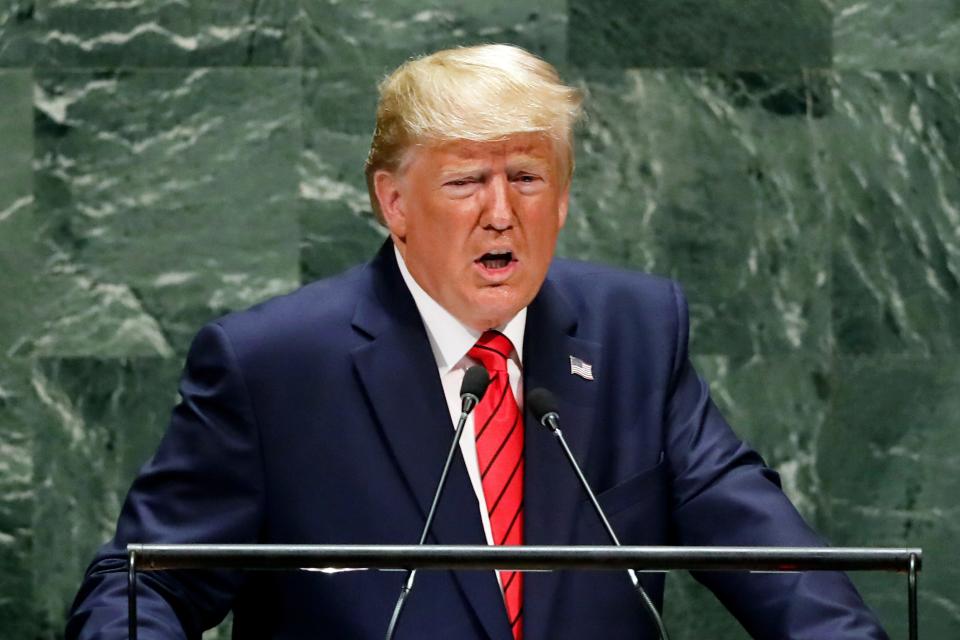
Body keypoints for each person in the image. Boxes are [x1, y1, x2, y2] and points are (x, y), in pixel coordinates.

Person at [67, 44, 887, 639]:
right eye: (466, 181)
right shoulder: (276, 366)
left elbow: (773, 560)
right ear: (393, 202)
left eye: (526, 177)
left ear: (562, 198)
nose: (502, 212)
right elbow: (140, 589)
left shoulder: (636, 333)